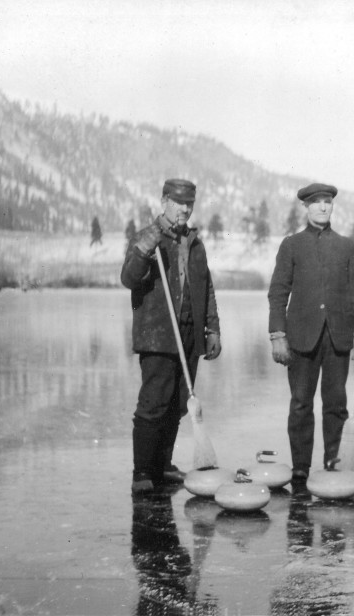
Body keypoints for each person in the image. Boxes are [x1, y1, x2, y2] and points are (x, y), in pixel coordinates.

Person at [121, 179, 222, 495]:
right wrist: (142, 250)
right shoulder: (148, 238)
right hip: (158, 334)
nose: (185, 209)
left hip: (190, 333)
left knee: (179, 402)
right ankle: (142, 471)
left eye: (189, 203)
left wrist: (213, 327)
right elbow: (128, 278)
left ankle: (162, 465)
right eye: (179, 202)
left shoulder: (194, 242)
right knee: (154, 403)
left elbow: (205, 287)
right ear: (164, 201)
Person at [268, 182, 354, 484]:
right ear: (306, 207)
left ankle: (332, 463)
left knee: (336, 403)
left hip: (337, 337)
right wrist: (278, 335)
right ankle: (300, 467)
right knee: (300, 403)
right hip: (300, 338)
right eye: (317, 203)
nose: (323, 207)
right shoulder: (291, 245)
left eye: (328, 202)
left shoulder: (346, 245)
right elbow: (277, 293)